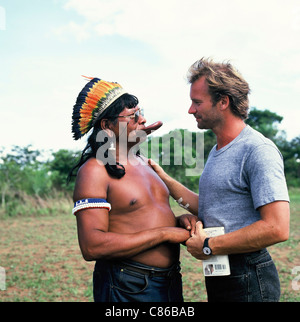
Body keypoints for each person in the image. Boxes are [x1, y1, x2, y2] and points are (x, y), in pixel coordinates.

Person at [149, 58, 290, 302]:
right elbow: (210, 206)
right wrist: (163, 179)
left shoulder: (257, 150)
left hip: (248, 275)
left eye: (197, 102)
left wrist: (209, 245)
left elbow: (277, 228)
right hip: (223, 273)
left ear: (223, 102)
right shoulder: (218, 150)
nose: (191, 110)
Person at [69, 77, 190, 302]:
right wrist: (164, 234)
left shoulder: (144, 163)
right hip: (127, 287)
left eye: (140, 112)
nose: (142, 119)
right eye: (132, 116)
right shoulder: (95, 170)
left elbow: (142, 216)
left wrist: (179, 221)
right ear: (107, 125)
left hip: (170, 282)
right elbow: (92, 246)